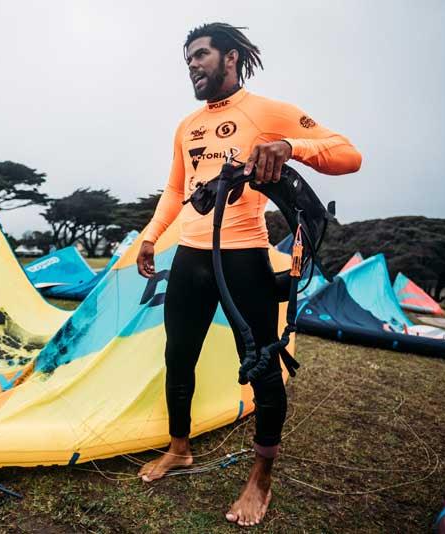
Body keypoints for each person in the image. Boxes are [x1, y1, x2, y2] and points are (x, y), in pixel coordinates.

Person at [135, 23, 362, 527]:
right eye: (187, 59)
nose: (192, 65)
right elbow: (175, 191)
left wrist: (290, 146)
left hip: (244, 258)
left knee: (261, 366)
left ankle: (261, 477)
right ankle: (179, 448)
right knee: (178, 357)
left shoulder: (266, 112)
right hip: (191, 259)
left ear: (231, 58)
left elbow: (348, 153)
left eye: (200, 55)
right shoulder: (187, 125)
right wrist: (150, 236)